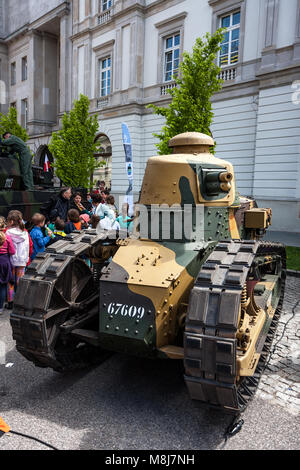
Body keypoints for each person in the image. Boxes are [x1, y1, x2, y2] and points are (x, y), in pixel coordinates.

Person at [6, 210, 30, 308]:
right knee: (20, 281)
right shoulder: (24, 233)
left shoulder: (8, 232)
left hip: (11, 260)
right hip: (22, 260)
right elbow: (27, 247)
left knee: (10, 282)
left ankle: (10, 302)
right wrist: (26, 258)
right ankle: (20, 302)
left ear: (11, 221)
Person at [0, 219, 15, 314]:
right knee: (2, 286)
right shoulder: (7, 238)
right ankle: (0, 307)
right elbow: (12, 251)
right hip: (4, 262)